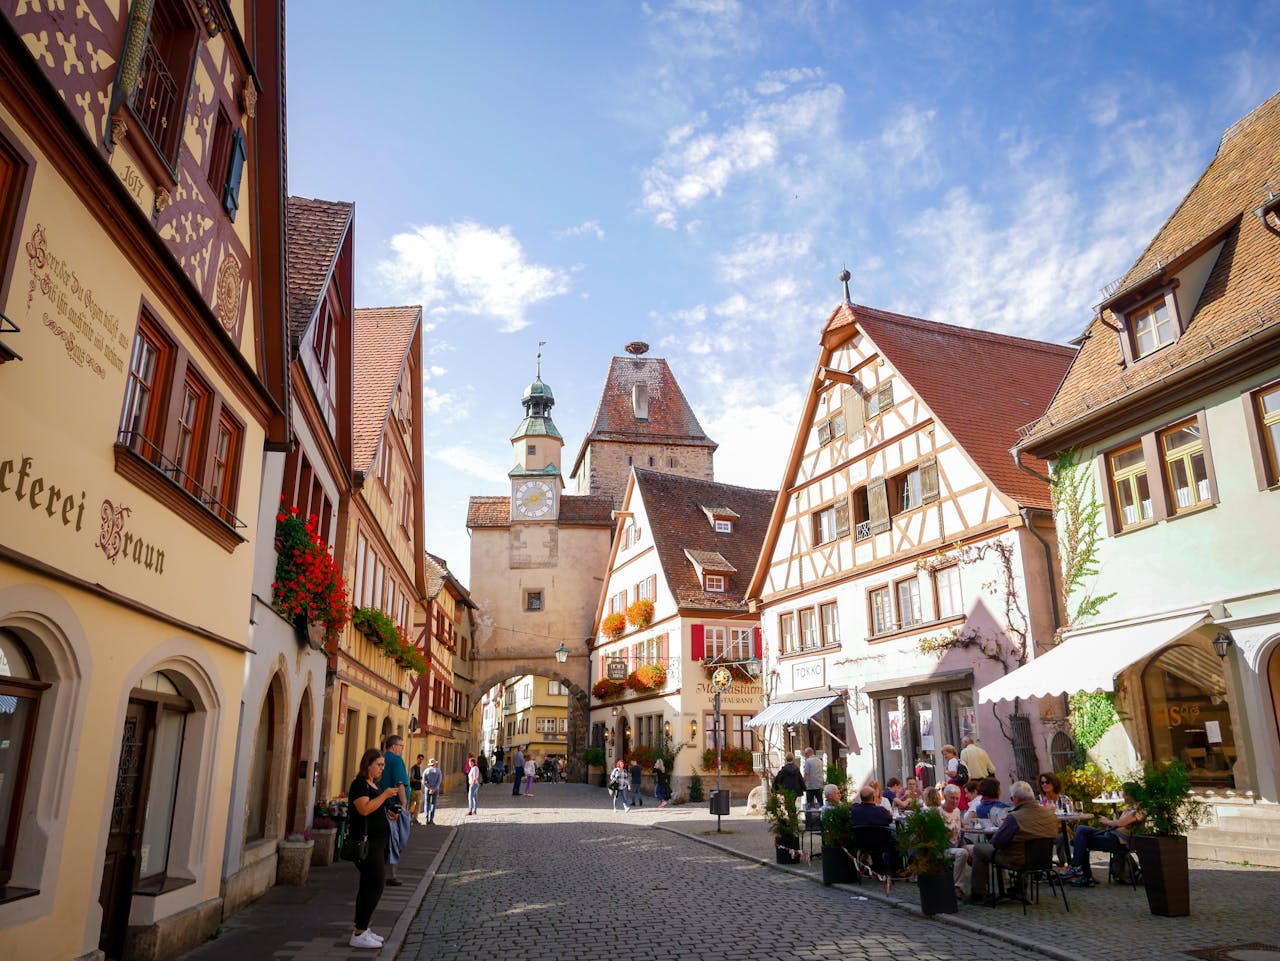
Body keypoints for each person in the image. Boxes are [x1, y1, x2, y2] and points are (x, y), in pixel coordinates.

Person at [969, 779, 1059, 903]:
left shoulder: (1015, 817)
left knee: (979, 849)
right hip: (1044, 860)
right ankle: (1019, 889)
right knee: (1025, 846)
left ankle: (978, 894)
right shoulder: (1050, 814)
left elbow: (996, 842)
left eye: (1012, 799)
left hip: (1018, 860)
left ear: (1016, 799)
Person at [347, 749, 398, 949]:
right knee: (373, 886)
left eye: (383, 765)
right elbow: (364, 809)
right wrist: (385, 795)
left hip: (378, 845)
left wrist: (390, 812)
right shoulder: (359, 785)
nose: (382, 768)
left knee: (371, 886)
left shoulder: (373, 785)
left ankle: (363, 929)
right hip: (366, 845)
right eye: (379, 764)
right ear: (368, 764)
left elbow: (375, 810)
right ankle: (359, 933)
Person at [1063, 783, 1143, 887]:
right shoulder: (1131, 807)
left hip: (1119, 842)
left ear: (1132, 795)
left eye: (1125, 794)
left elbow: (1121, 823)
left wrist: (1107, 821)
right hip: (1112, 835)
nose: (1123, 796)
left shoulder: (1138, 810)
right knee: (1081, 830)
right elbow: (1120, 824)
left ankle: (1080, 871)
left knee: (1080, 841)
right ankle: (1079, 869)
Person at [379, 735, 410, 886]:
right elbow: (400, 783)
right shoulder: (396, 760)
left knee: (385, 841)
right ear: (394, 746)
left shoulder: (382, 758)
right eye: (401, 746)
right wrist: (403, 805)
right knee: (396, 841)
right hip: (394, 806)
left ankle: (382, 873)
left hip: (381, 804)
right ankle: (391, 875)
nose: (402, 749)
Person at [939, 784, 972, 899]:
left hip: (956, 845)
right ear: (945, 797)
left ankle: (978, 888)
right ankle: (956, 886)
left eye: (957, 798)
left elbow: (959, 832)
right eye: (952, 798)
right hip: (942, 848)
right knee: (962, 853)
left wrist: (963, 844)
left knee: (976, 849)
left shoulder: (957, 811)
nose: (955, 801)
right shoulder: (938, 813)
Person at [1037, 771, 1070, 866]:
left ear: (1054, 783)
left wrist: (1070, 808)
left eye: (1047, 782)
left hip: (1060, 829)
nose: (1044, 785)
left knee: (1063, 836)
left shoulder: (1064, 799)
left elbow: (1072, 819)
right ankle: (1045, 866)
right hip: (1044, 831)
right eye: (1042, 783)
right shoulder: (1038, 800)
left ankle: (1065, 864)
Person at [421, 757, 442, 825]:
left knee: (427, 803)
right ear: (435, 764)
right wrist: (434, 788)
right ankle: (432, 819)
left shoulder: (426, 771)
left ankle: (426, 818)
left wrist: (429, 788)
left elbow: (424, 781)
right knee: (433, 804)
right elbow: (439, 781)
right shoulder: (438, 771)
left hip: (427, 789)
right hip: (435, 789)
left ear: (429, 764)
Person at [408, 754, 424, 820]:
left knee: (418, 805)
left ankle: (415, 818)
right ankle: (410, 818)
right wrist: (418, 780)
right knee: (412, 804)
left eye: (422, 759)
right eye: (420, 759)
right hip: (414, 789)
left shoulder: (420, 768)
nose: (421, 760)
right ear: (417, 759)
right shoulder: (413, 768)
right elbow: (411, 778)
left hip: (419, 789)